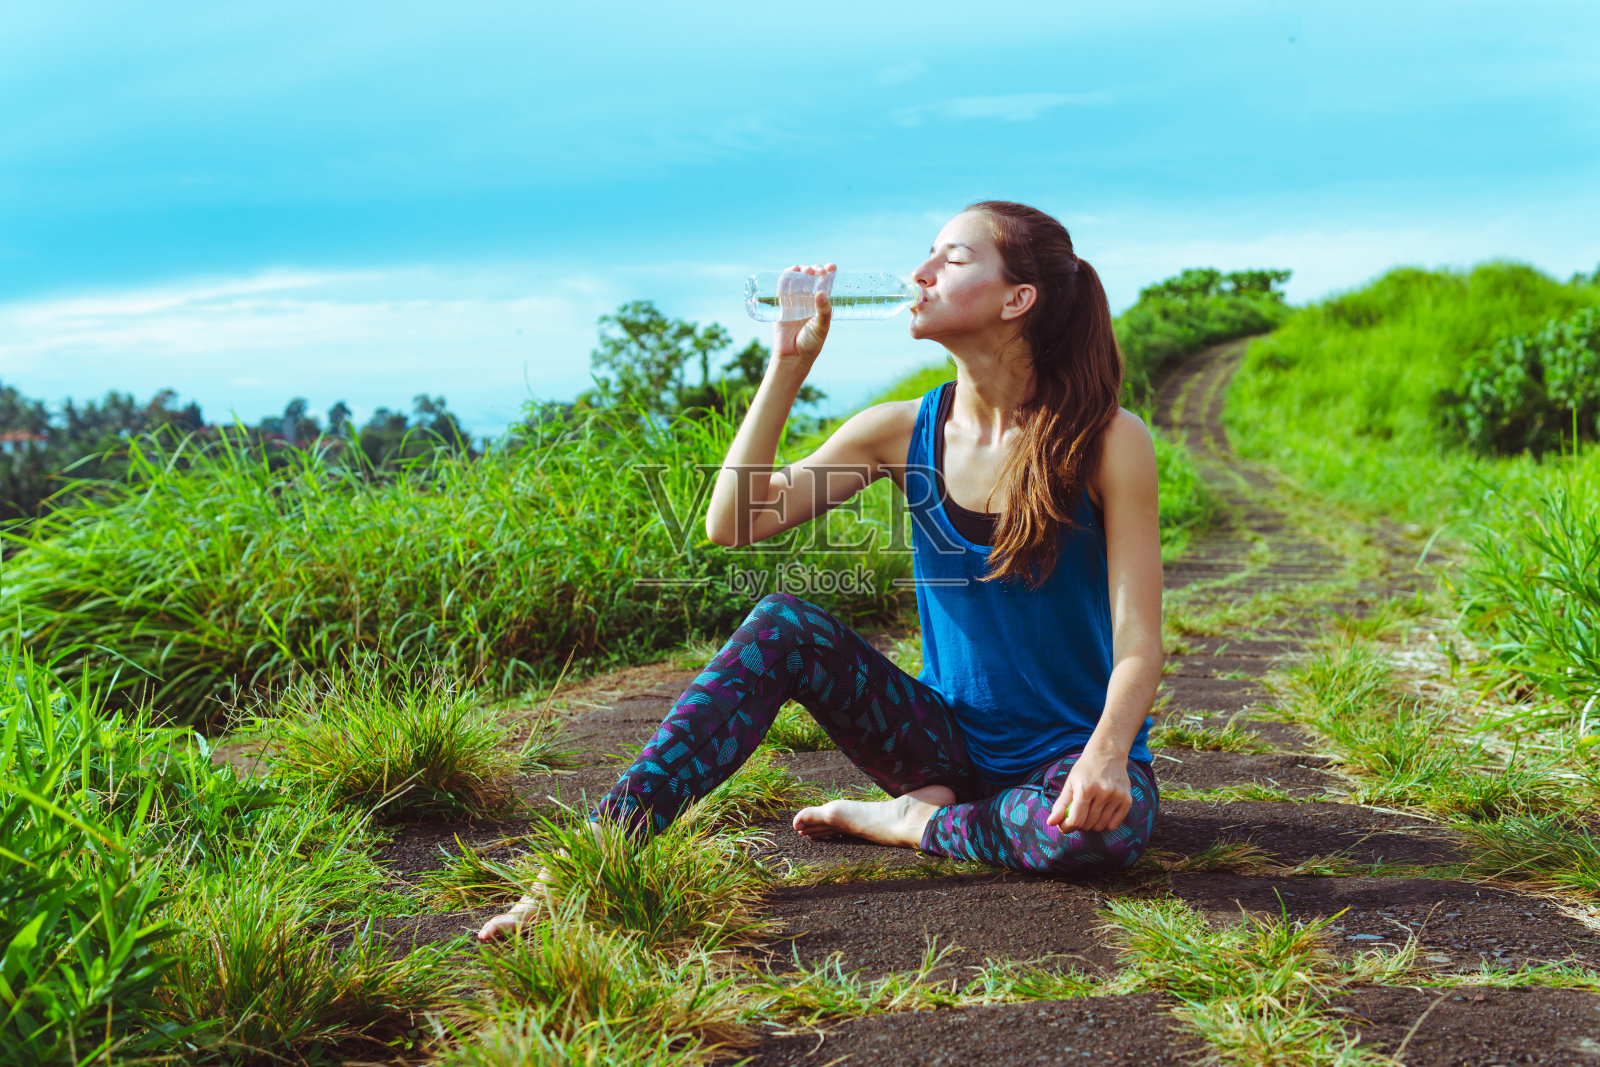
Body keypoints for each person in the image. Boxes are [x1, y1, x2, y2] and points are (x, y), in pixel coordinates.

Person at [478, 200, 1162, 942]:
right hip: (945, 744)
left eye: (952, 259)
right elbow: (734, 523)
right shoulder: (900, 431)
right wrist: (787, 366)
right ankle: (584, 861)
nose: (920, 274)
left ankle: (914, 823)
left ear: (1016, 299)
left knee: (1095, 839)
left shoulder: (1108, 440)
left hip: (1070, 755)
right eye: (925, 255)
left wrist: (1107, 757)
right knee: (782, 626)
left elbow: (1138, 645)